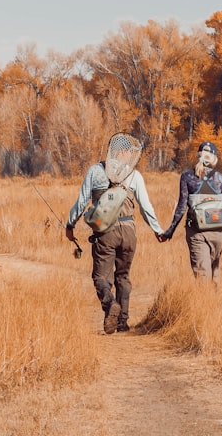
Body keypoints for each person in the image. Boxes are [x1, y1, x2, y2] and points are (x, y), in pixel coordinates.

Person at [65, 133, 164, 334]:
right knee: (123, 276)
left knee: (101, 277)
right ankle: (122, 323)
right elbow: (146, 208)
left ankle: (110, 304)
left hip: (104, 233)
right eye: (129, 151)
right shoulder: (134, 175)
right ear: (124, 152)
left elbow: (82, 202)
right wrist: (158, 230)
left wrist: (70, 225)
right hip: (128, 232)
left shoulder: (95, 171)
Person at [158, 141, 222, 284]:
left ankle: (204, 298)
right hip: (218, 233)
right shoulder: (221, 178)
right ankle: (213, 298)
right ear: (214, 159)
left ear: (198, 156)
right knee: (214, 274)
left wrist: (170, 232)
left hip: (196, 232)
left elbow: (181, 207)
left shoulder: (187, 177)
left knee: (201, 275)